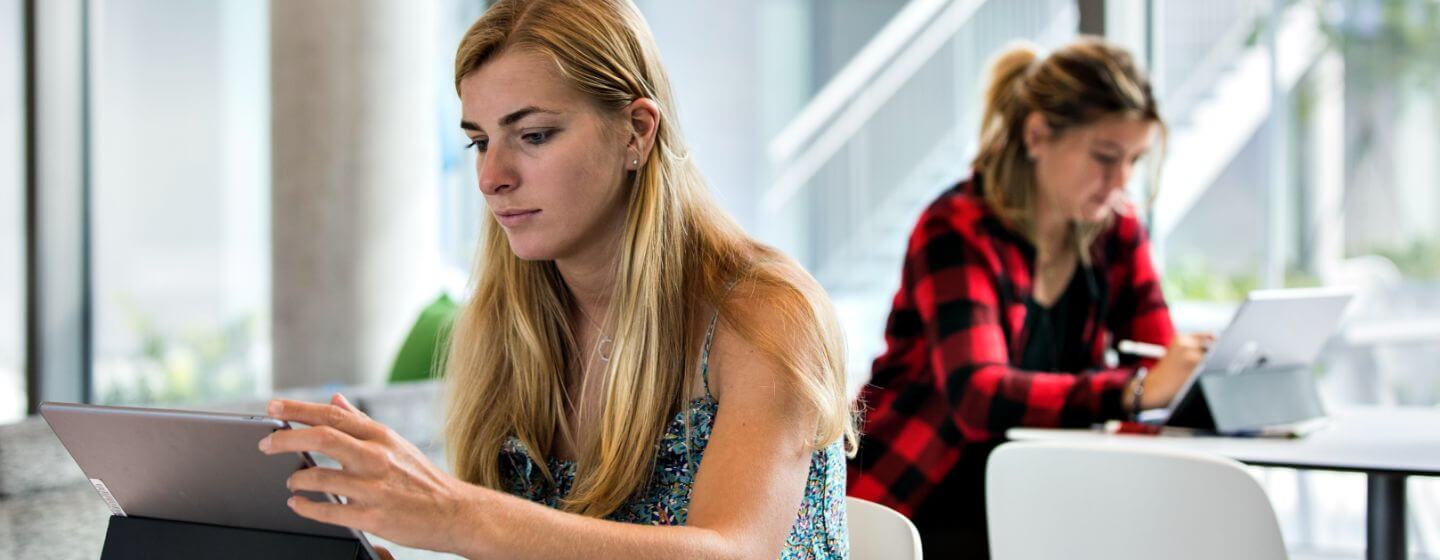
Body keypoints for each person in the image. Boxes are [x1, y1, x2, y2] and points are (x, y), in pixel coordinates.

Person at [259, 1, 855, 558]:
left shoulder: (766, 311)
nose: (492, 176)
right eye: (479, 141)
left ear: (637, 132)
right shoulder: (509, 317)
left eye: (534, 135)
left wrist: (454, 513)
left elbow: (735, 552)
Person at [846, 37, 1212, 557]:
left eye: (1134, 159)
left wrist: (1192, 378)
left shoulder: (1117, 231)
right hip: (926, 497)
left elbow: (1159, 366)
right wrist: (1133, 392)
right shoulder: (955, 227)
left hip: (1041, 492)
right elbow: (978, 394)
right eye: (1106, 157)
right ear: (1038, 135)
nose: (1122, 180)